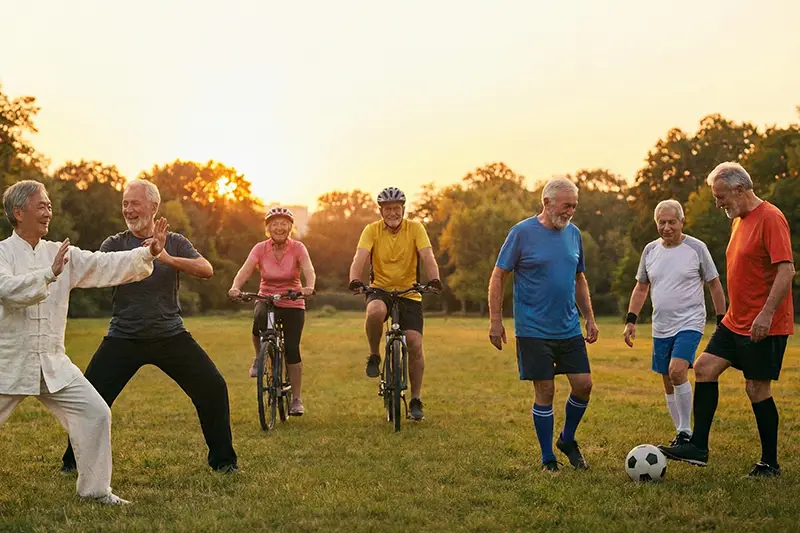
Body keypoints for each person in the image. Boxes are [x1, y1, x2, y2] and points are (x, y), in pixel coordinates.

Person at [0, 180, 168, 504]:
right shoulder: (3, 254)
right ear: (18, 213)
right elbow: (7, 290)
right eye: (41, 206)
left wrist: (148, 252)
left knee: (95, 412)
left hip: (52, 363)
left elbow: (104, 264)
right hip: (9, 360)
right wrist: (48, 275)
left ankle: (95, 491)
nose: (48, 211)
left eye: (49, 205)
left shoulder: (60, 253)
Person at [61, 179, 238, 474]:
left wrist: (166, 256)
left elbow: (206, 269)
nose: (128, 210)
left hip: (170, 335)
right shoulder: (114, 244)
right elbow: (108, 273)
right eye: (125, 204)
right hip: (123, 336)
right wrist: (146, 255)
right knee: (89, 397)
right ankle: (72, 460)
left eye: (135, 204)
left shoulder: (176, 241)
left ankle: (224, 461)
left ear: (153, 207)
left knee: (213, 387)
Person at [659, 162, 794, 477]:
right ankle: (698, 447)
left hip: (765, 322)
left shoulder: (770, 219)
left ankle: (770, 463)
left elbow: (786, 269)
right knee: (704, 367)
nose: (718, 203)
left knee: (756, 389)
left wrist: (766, 313)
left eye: (721, 196)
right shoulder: (739, 221)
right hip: (735, 320)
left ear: (740, 189)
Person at [488, 177, 599, 472]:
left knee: (584, 385)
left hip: (568, 327)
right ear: (547, 203)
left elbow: (579, 278)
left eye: (574, 206)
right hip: (533, 329)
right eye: (566, 205)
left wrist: (588, 316)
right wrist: (496, 320)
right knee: (546, 390)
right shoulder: (522, 233)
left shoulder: (574, 234)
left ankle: (567, 439)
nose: (570, 211)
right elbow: (499, 275)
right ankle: (547, 457)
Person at [623, 199, 726, 447]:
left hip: (690, 322)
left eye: (672, 222)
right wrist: (631, 320)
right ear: (656, 223)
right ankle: (681, 432)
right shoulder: (650, 251)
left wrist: (722, 320)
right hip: (661, 326)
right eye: (662, 222)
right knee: (668, 380)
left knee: (677, 371)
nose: (667, 227)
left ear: (682, 221)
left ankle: (685, 432)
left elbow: (714, 283)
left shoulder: (696, 248)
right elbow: (641, 287)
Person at [347, 187, 442, 421]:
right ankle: (373, 355)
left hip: (409, 292)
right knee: (374, 312)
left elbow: (428, 256)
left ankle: (416, 399)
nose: (392, 213)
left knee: (414, 343)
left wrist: (435, 279)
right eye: (388, 209)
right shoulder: (371, 230)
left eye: (396, 208)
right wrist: (354, 280)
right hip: (380, 289)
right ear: (381, 211)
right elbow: (359, 257)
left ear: (403, 209)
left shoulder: (416, 228)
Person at [228, 206, 316, 416]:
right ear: (268, 229)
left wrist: (308, 287)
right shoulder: (260, 248)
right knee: (258, 319)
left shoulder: (298, 248)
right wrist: (235, 287)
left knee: (292, 349)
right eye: (274, 224)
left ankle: (296, 399)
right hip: (267, 298)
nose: (279, 227)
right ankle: (259, 357)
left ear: (290, 227)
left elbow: (308, 269)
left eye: (283, 224)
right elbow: (245, 270)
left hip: (292, 300)